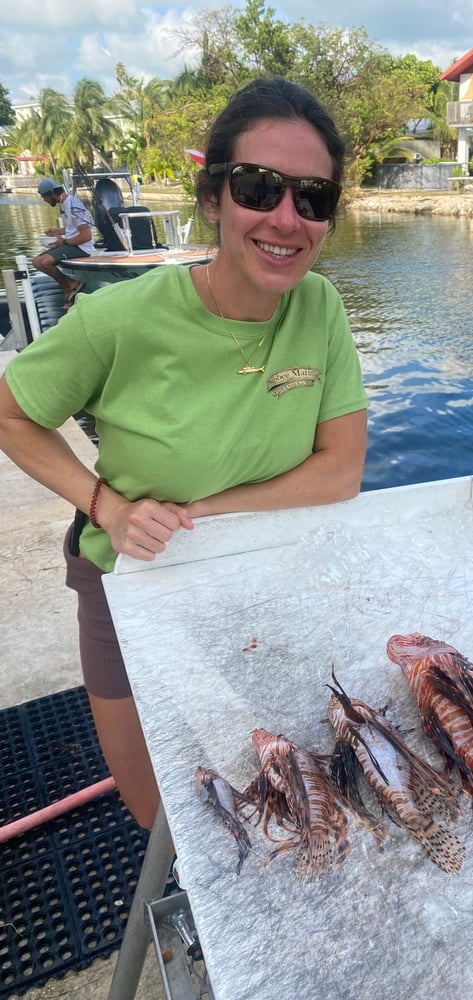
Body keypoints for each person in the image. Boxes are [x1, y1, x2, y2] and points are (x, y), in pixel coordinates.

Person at [0, 78, 369, 829]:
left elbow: (340, 469)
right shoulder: (118, 319)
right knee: (167, 815)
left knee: (296, 792)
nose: (286, 219)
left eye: (314, 197)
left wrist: (200, 512)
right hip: (132, 582)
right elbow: (11, 414)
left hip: (264, 579)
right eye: (259, 187)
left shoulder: (320, 307)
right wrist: (107, 505)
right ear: (213, 198)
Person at [33, 177, 94, 308]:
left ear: (52, 193)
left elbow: (86, 235)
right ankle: (69, 284)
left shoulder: (73, 205)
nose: (44, 200)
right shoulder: (65, 203)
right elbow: (74, 228)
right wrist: (58, 232)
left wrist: (64, 241)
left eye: (44, 196)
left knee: (44, 262)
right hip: (72, 244)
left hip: (81, 247)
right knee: (36, 261)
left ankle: (70, 286)